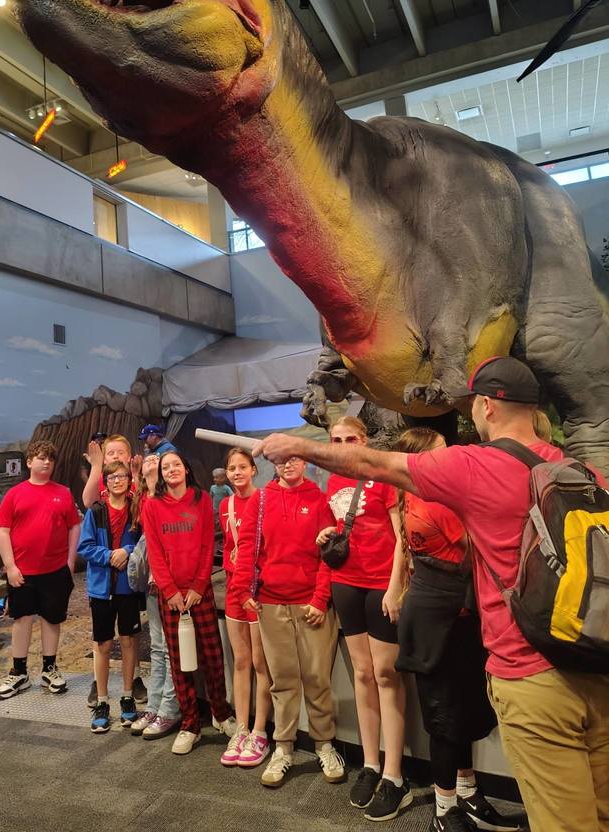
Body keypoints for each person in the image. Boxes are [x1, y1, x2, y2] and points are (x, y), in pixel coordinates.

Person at [256, 356, 609, 832]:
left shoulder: (475, 465)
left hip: (531, 677)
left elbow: (370, 461)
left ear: (486, 405)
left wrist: (298, 445)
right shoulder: (581, 471)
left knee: (563, 822)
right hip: (592, 662)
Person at [394, 428, 524, 832]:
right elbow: (482, 542)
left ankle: (467, 795)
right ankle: (444, 809)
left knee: (463, 711)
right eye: (440, 455)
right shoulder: (434, 503)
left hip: (460, 615)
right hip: (439, 621)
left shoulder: (421, 497)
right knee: (444, 717)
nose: (449, 461)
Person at [230, 454, 345, 789]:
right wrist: (241, 589)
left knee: (316, 678)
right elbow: (248, 546)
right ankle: (283, 748)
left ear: (304, 462)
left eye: (293, 459)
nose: (287, 465)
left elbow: (329, 552)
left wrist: (320, 598)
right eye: (280, 461)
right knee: (282, 680)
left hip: (311, 604)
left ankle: (325, 744)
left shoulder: (318, 499)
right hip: (271, 603)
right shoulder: (261, 499)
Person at [316, 416, 411, 821]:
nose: (342, 444)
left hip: (379, 586)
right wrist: (325, 534)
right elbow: (340, 526)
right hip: (345, 582)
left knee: (386, 674)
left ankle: (395, 773)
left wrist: (395, 587)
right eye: (335, 440)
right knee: (361, 672)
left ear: (364, 439)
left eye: (349, 438)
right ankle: (371, 764)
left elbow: (401, 536)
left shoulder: (384, 476)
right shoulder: (333, 482)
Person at [142, 450, 236, 754]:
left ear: (186, 469)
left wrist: (198, 585)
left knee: (212, 657)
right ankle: (190, 724)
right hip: (170, 597)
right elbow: (154, 552)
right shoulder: (152, 506)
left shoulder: (202, 500)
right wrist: (169, 591)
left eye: (176, 465)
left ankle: (221, 715)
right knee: (180, 662)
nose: (171, 470)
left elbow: (210, 544)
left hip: (200, 593)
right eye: (165, 467)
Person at [0, 439, 81, 700]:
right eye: (41, 457)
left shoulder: (63, 493)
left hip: (55, 570)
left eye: (50, 459)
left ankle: (49, 668)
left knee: (52, 619)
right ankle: (19, 672)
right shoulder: (15, 494)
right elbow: (3, 530)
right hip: (22, 571)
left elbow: (74, 526)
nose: (46, 462)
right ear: (29, 462)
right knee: (22, 619)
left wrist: (70, 561)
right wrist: (10, 566)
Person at [78, 459, 143, 733]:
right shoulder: (95, 512)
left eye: (122, 476)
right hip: (102, 589)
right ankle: (103, 700)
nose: (118, 480)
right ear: (105, 482)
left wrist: (126, 551)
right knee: (103, 644)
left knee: (129, 640)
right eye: (112, 477)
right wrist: (108, 556)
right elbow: (85, 546)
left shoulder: (137, 509)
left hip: (127, 587)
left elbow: (143, 538)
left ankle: (128, 695)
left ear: (129, 480)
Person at [218, 448, 272, 768]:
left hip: (258, 590)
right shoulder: (225, 504)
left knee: (259, 661)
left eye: (242, 467)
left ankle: (260, 730)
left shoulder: (264, 500)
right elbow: (228, 546)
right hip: (233, 590)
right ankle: (241, 728)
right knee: (240, 660)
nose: (237, 472)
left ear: (253, 469)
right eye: (231, 468)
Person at [127, 452, 182, 740]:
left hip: (167, 582)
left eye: (156, 459)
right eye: (149, 459)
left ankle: (170, 708)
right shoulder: (141, 499)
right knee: (158, 647)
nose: (152, 461)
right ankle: (155, 705)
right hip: (151, 583)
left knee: (170, 648)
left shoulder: (167, 499)